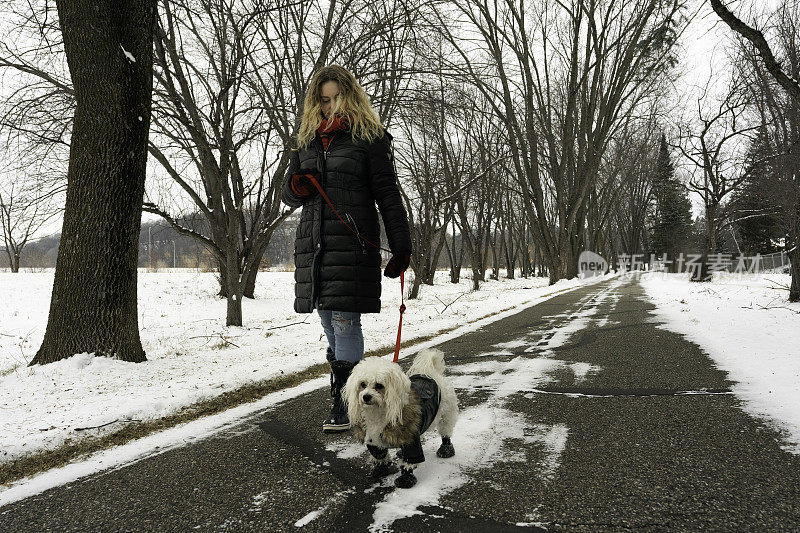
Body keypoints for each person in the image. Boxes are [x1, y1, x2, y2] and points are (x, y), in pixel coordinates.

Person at [281, 65, 412, 433]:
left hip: (353, 243)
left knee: (344, 321)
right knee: (328, 320)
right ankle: (347, 398)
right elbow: (286, 194)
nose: (331, 106)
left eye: (337, 97)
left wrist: (401, 245)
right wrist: (298, 186)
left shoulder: (368, 138)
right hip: (315, 247)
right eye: (324, 100)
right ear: (315, 102)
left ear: (351, 96)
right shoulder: (305, 140)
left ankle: (345, 406)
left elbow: (388, 194)